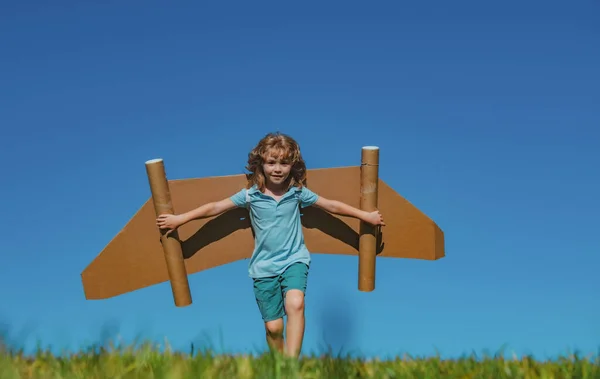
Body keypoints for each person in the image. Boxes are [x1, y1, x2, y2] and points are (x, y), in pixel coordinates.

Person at [156, 132, 385, 358]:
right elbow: (214, 208)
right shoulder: (250, 196)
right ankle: (279, 364)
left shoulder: (297, 193)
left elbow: (331, 206)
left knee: (296, 304)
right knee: (274, 329)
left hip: (294, 259)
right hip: (263, 268)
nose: (278, 169)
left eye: (284, 163)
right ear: (261, 164)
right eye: (271, 162)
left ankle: (291, 367)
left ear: (292, 166)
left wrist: (365, 216)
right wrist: (179, 219)